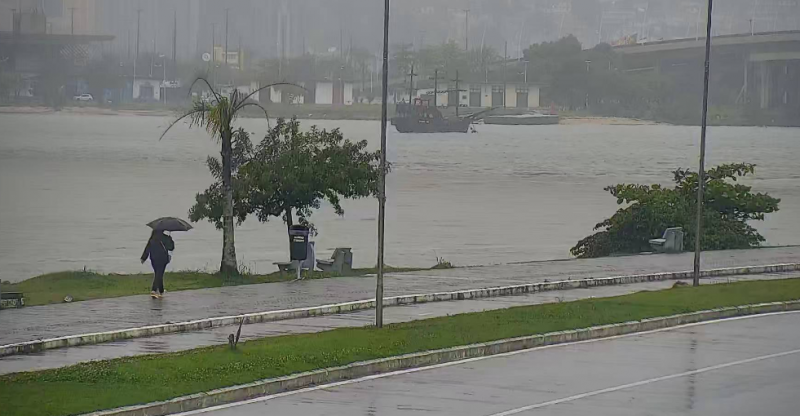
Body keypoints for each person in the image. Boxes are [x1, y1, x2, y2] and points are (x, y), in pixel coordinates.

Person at [140, 230, 174, 299]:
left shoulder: (152, 239)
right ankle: (154, 290)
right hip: (163, 258)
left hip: (154, 258)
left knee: (158, 273)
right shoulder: (166, 238)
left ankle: (161, 290)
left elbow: (147, 249)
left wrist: (143, 258)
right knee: (159, 273)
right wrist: (170, 240)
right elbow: (171, 247)